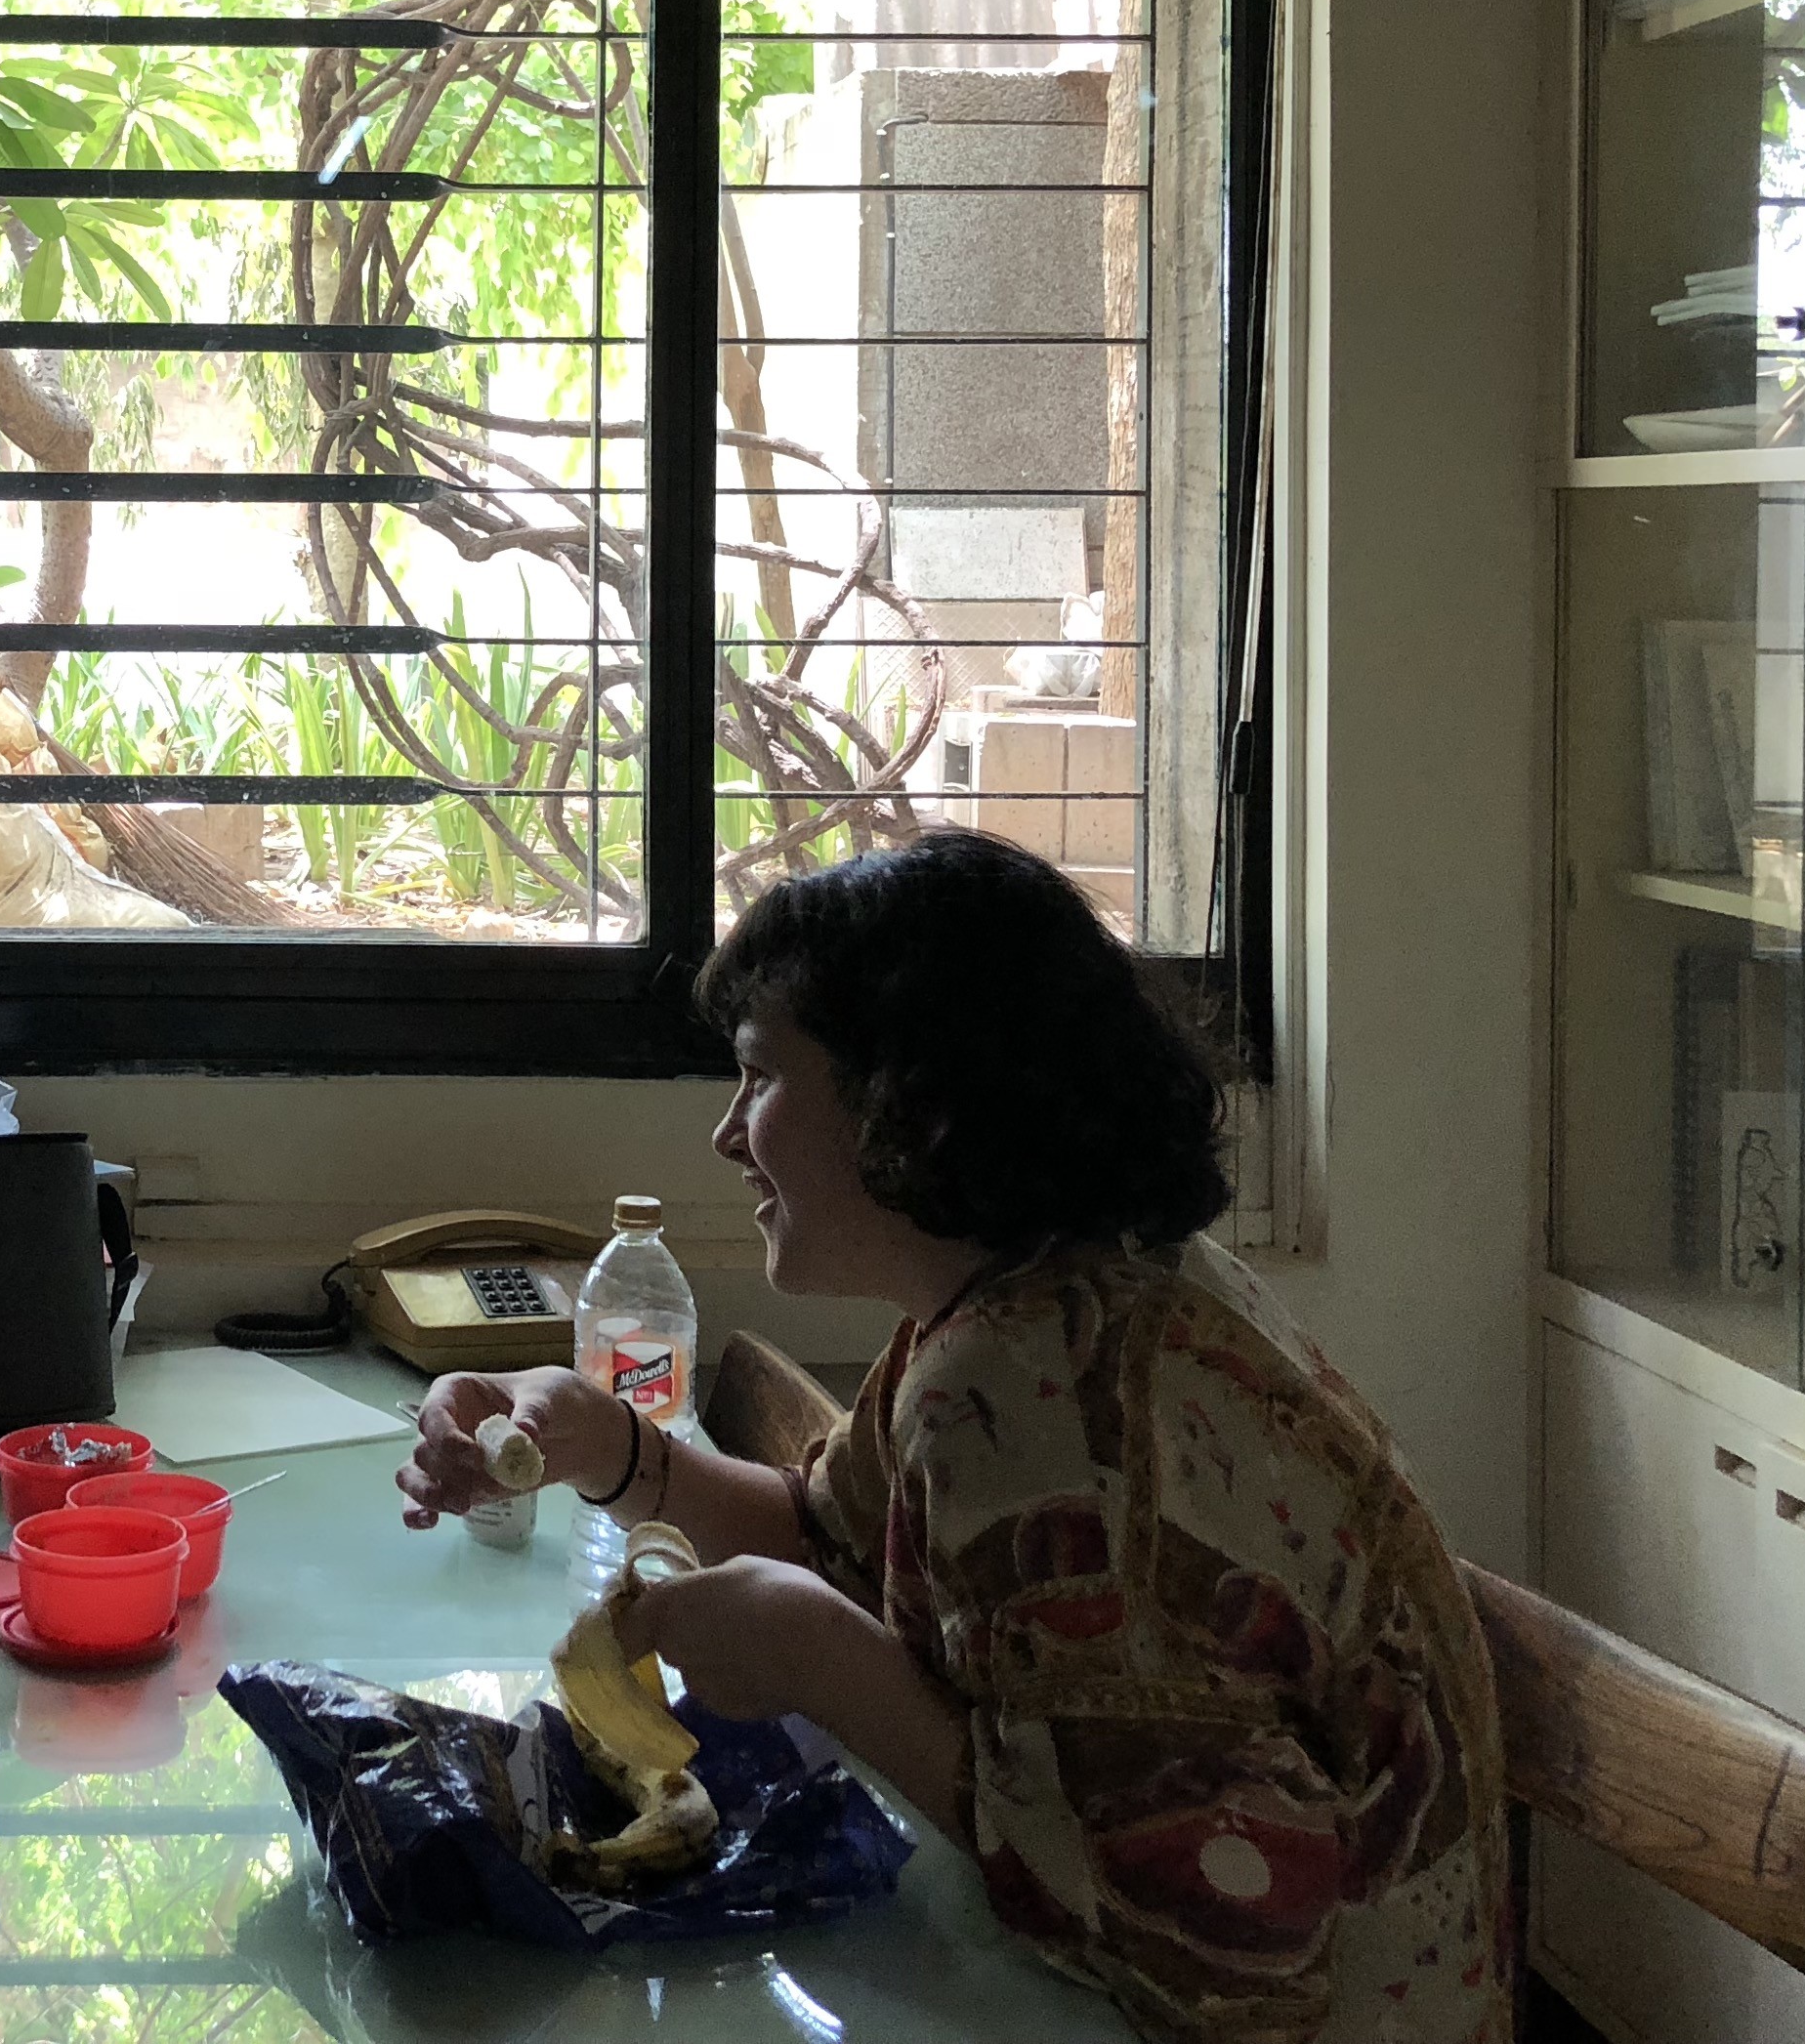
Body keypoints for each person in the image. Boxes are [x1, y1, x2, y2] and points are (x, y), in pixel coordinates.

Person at [397, 834, 1512, 2044]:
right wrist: (612, 1447)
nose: (726, 1134)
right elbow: (827, 1534)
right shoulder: (1041, 1303)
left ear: (910, 1106)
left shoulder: (1048, 1400)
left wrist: (825, 1661)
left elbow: (1220, 1960)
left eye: (761, 1078)